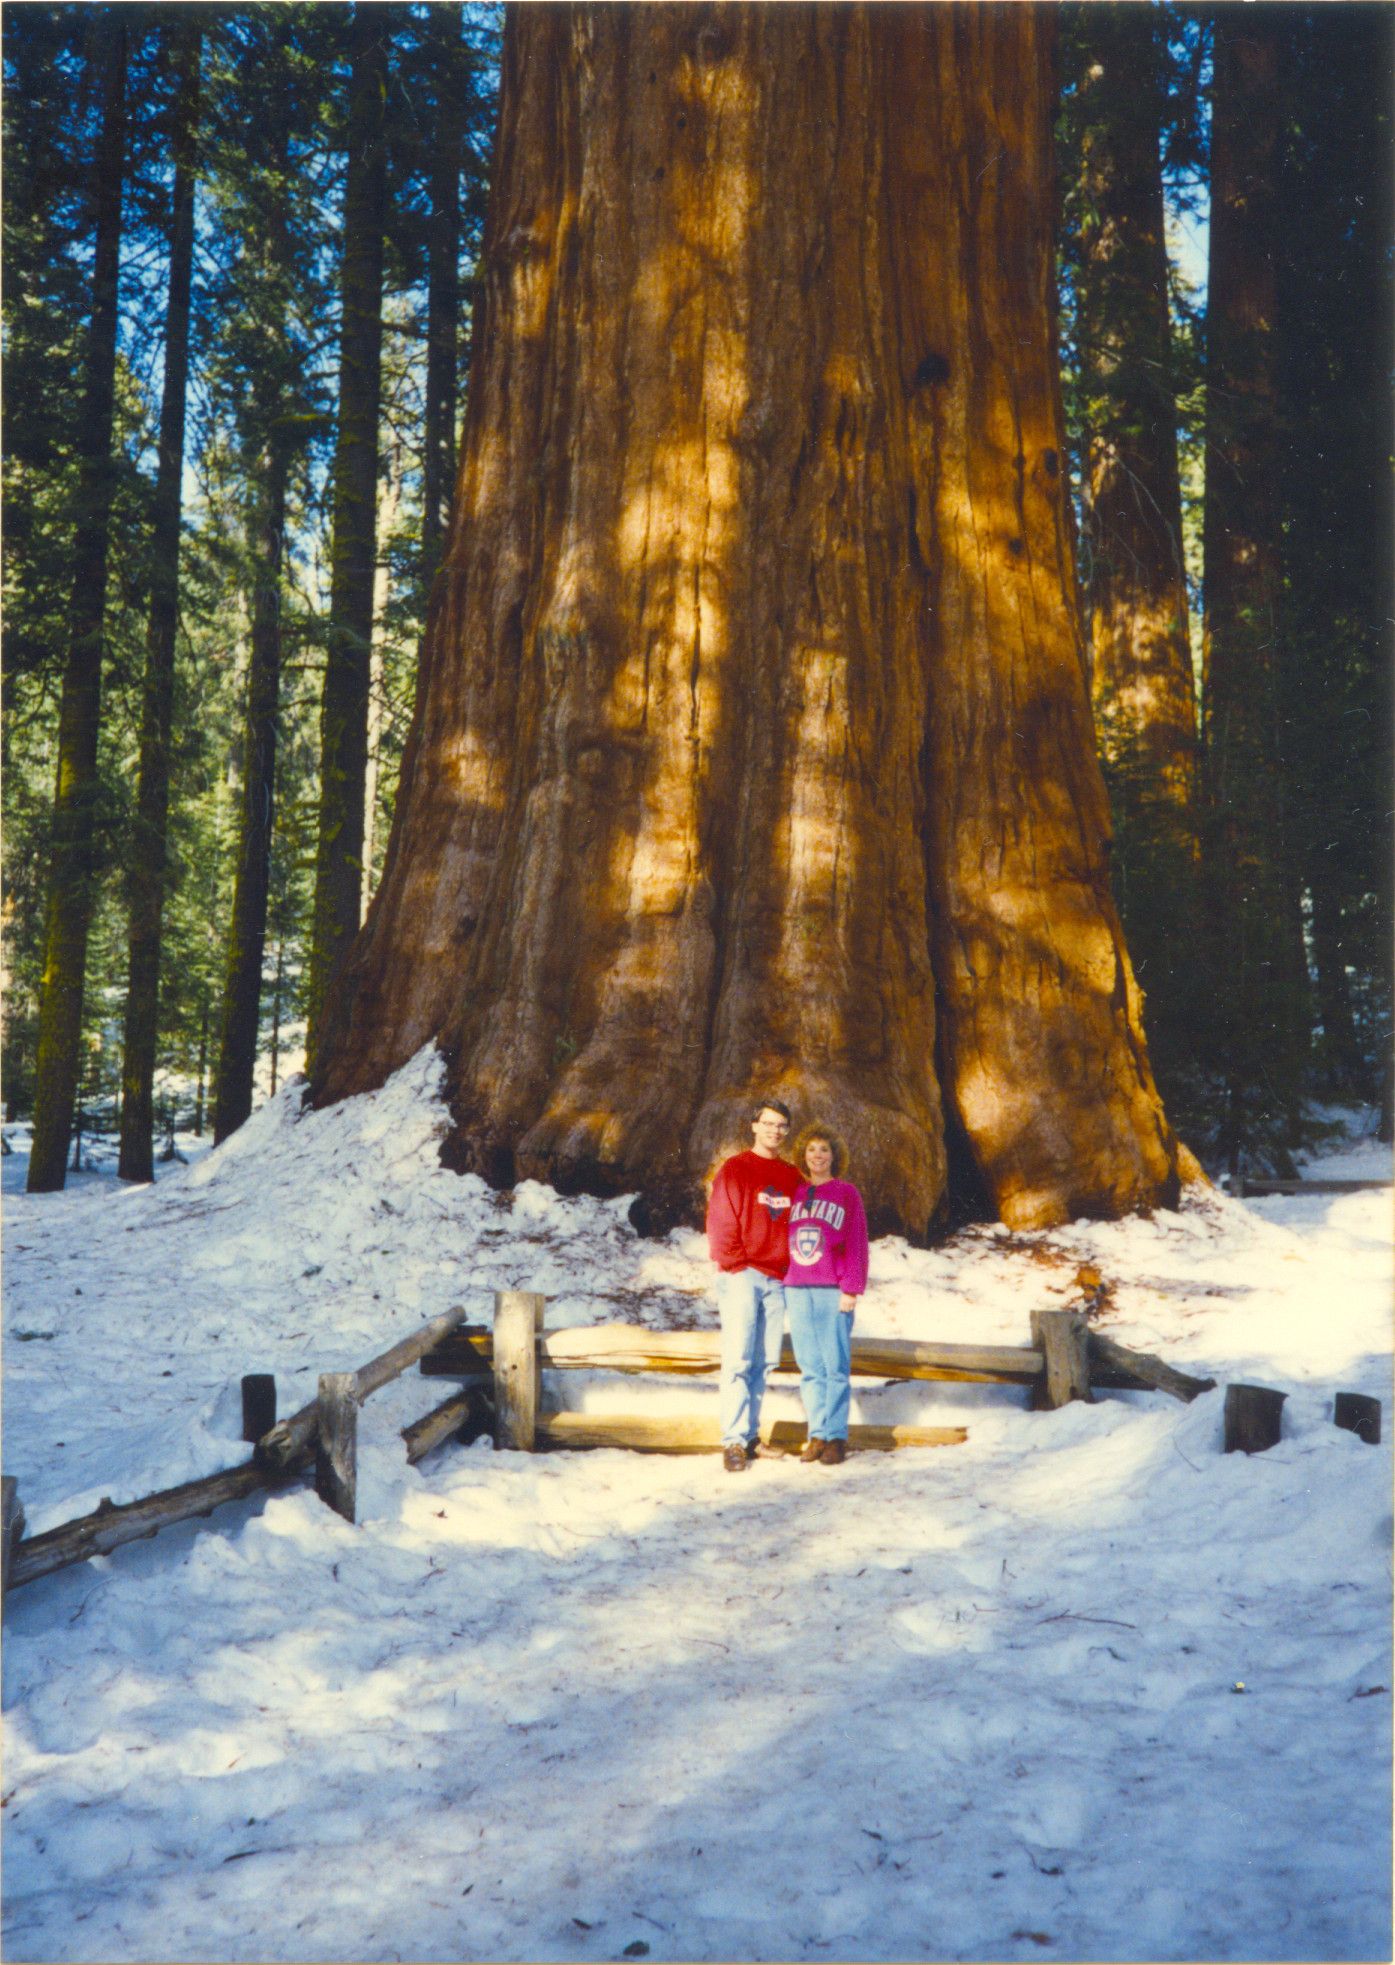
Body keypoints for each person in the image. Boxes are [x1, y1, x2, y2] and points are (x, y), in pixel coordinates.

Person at [706, 1098, 804, 1473]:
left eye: (782, 1125)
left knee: (764, 1361)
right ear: (753, 1125)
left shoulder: (791, 1176)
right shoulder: (736, 1168)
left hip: (777, 1279)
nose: (774, 1130)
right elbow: (721, 1221)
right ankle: (732, 1440)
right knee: (739, 1357)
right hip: (743, 1275)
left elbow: (802, 1225)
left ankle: (750, 1438)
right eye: (768, 1123)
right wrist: (735, 1263)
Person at [784, 1123, 868, 1466]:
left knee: (835, 1365)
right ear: (803, 1156)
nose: (817, 1156)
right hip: (797, 1288)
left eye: (824, 1150)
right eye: (811, 1150)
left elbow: (857, 1244)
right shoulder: (796, 1194)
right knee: (810, 1366)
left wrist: (851, 1288)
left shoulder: (846, 1193)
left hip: (832, 1290)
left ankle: (836, 1437)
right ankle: (816, 1434)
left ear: (834, 1156)